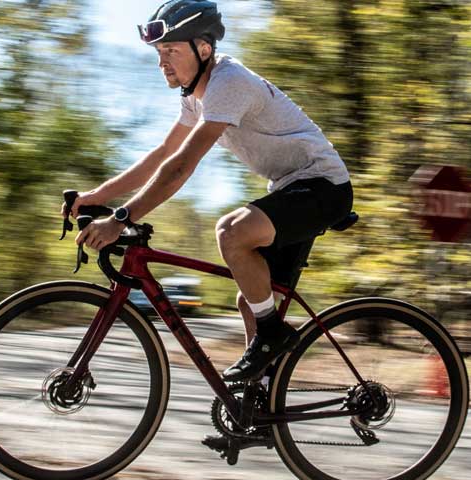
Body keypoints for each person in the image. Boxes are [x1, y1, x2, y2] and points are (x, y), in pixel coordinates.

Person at [65, 0, 352, 385]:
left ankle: (271, 336)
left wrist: (122, 217)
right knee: (253, 299)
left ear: (204, 49)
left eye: (171, 51)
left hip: (323, 186)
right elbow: (162, 155)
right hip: (293, 187)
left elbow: (181, 166)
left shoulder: (228, 82)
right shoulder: (194, 97)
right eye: (159, 53)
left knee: (231, 231)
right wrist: (96, 196)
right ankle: (259, 404)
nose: (162, 62)